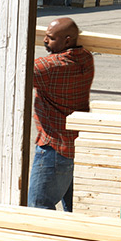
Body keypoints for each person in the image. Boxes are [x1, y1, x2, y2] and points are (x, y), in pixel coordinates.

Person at [27, 17, 94, 212]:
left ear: (67, 41)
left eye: (50, 38)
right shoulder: (86, 58)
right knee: (73, 208)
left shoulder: (49, 68)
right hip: (74, 147)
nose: (45, 41)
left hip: (53, 148)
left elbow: (16, 68)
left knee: (40, 206)